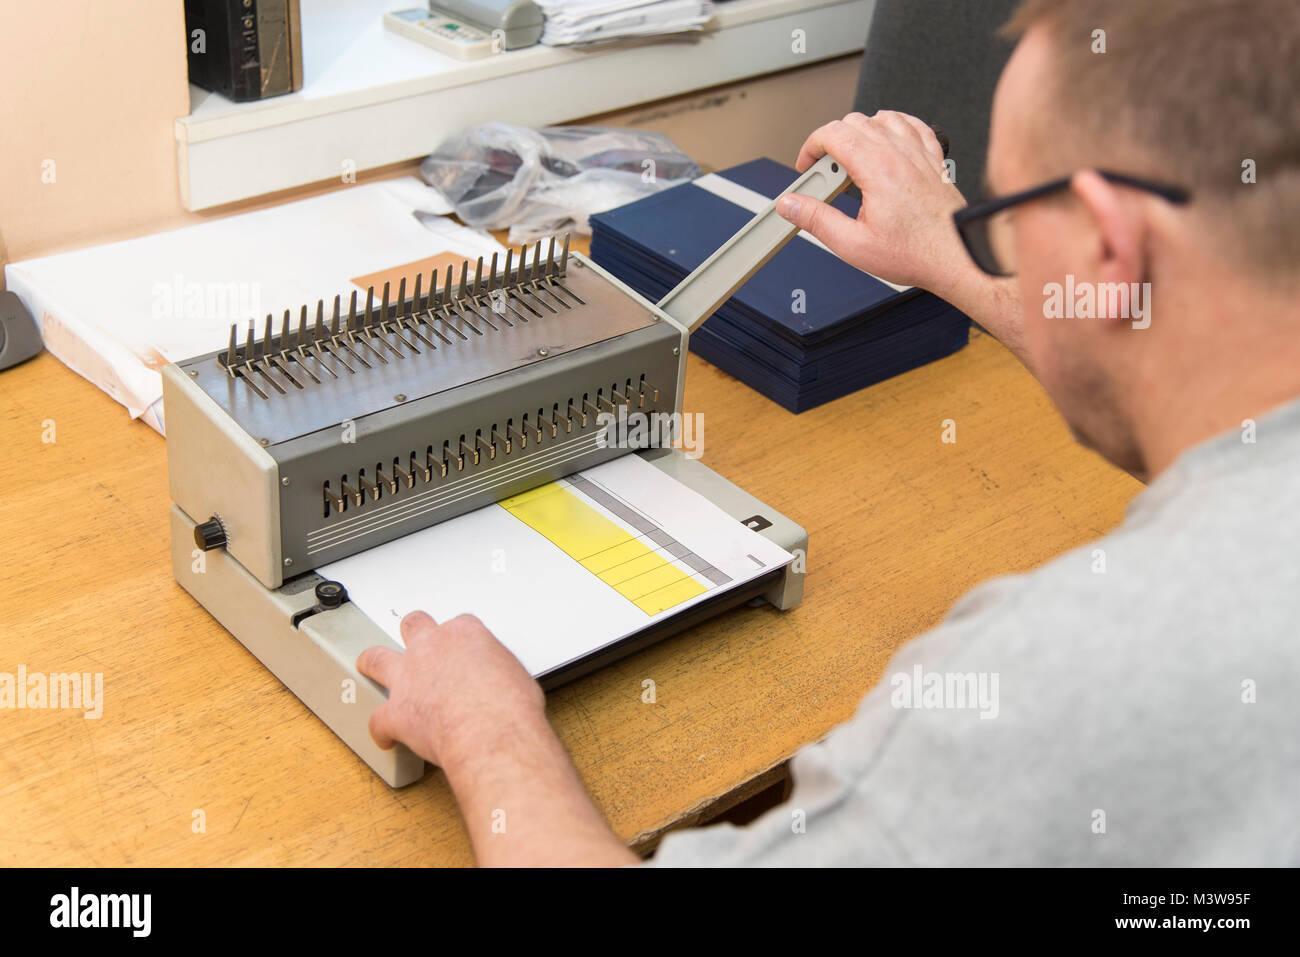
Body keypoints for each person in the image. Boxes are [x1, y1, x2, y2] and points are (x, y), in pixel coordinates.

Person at [356, 0, 1300, 866]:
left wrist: (486, 726)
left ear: (1107, 244)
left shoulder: (1054, 680)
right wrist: (957, 269)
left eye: (1003, 213)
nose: (991, 236)